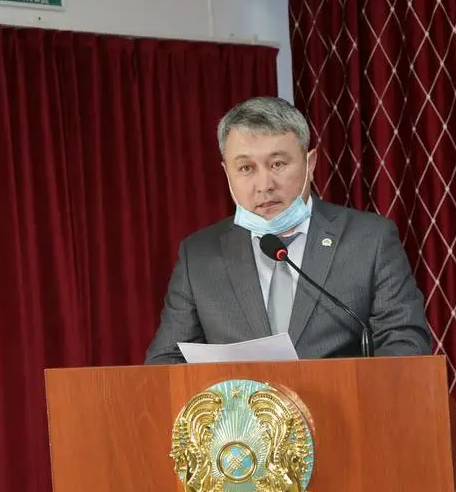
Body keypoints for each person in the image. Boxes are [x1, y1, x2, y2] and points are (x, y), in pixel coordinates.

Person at [145, 96, 432, 364]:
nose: (264, 185)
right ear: (226, 173)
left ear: (310, 163)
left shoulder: (370, 240)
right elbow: (166, 361)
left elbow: (405, 345)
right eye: (246, 168)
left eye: (278, 164)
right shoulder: (198, 255)